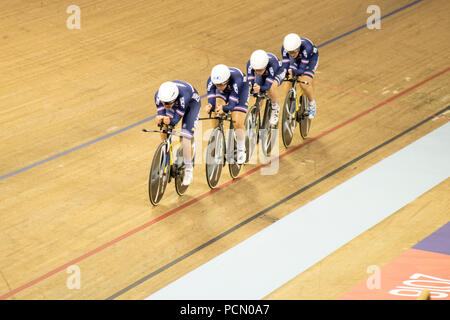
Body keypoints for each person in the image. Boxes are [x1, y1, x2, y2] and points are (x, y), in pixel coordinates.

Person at [154, 80, 201, 185]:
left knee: (184, 138)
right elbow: (162, 114)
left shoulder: (184, 96)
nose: (165, 106)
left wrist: (170, 121)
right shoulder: (158, 96)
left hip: (191, 106)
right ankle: (166, 151)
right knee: (164, 127)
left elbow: (175, 120)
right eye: (164, 104)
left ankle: (189, 170)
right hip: (175, 104)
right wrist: (160, 118)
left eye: (168, 104)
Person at [205, 64, 249, 165]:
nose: (218, 87)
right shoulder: (211, 82)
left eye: (221, 85)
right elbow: (211, 102)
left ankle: (241, 149)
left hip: (241, 90)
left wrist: (224, 109)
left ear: (227, 80)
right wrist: (210, 107)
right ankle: (217, 137)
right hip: (227, 91)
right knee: (215, 111)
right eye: (216, 85)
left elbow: (232, 105)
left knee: (237, 121)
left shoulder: (237, 80)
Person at [281, 33, 319, 119]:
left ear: (298, 48)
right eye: (289, 52)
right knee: (288, 81)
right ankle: (290, 102)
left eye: (293, 52)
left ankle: (311, 103)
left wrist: (295, 73)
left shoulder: (307, 48)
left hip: (310, 60)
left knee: (303, 83)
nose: (291, 54)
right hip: (296, 60)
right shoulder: (285, 49)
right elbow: (286, 64)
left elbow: (302, 69)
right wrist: (287, 73)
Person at [246, 49, 286, 126]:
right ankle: (257, 115)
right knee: (258, 93)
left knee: (271, 88)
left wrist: (260, 88)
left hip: (277, 72)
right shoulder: (250, 64)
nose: (257, 72)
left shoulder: (272, 64)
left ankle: (275, 107)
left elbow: (267, 86)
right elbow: (251, 81)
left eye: (260, 70)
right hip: (266, 73)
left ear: (265, 66)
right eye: (256, 70)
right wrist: (253, 88)